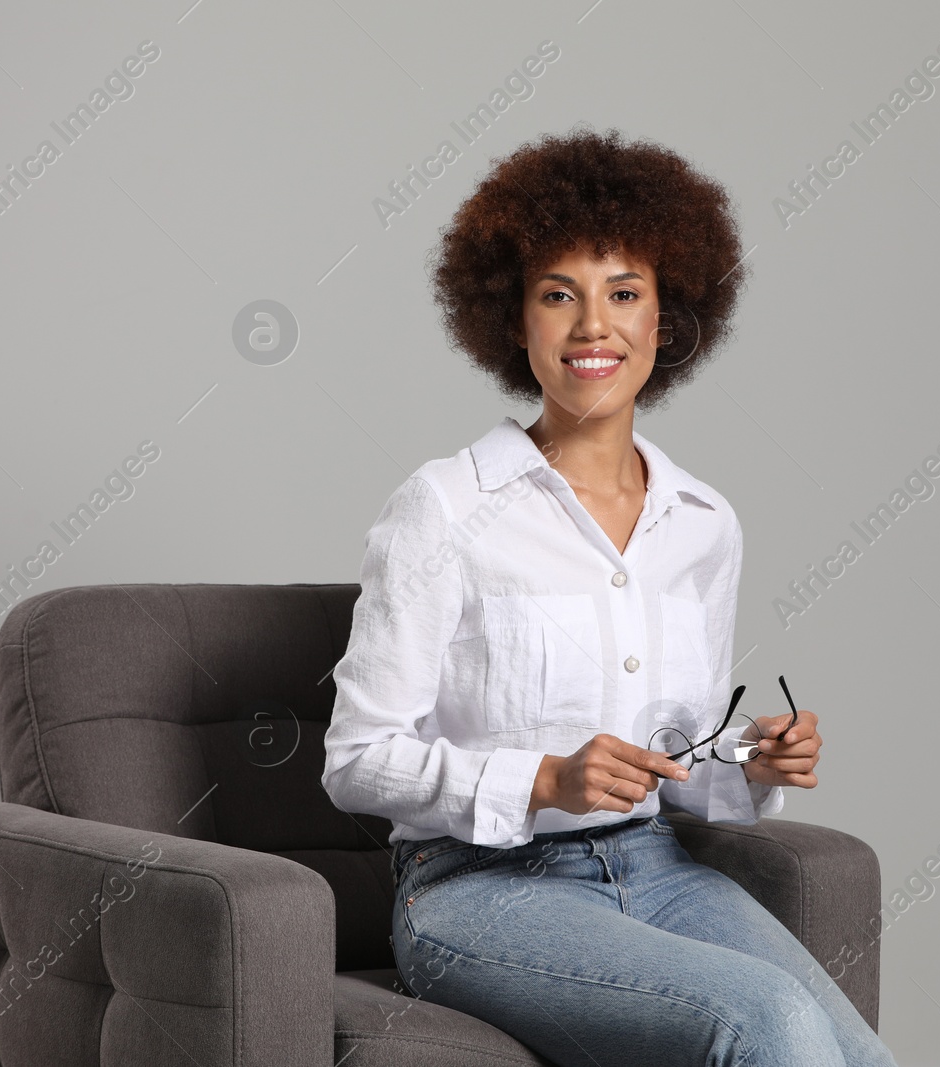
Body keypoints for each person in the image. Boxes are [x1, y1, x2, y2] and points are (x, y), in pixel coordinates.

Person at [321, 126, 898, 1067]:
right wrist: (544, 780)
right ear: (513, 321)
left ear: (666, 320)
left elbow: (683, 755)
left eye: (624, 293)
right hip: (476, 890)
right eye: (560, 295)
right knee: (765, 1022)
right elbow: (356, 760)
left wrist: (757, 760)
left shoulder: (704, 523)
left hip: (658, 869)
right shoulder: (444, 508)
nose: (595, 327)